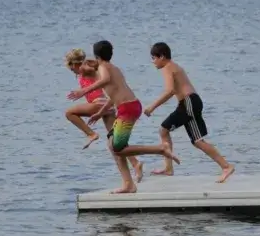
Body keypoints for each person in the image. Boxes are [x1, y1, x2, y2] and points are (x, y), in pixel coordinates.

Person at [68, 40, 180, 194]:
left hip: (127, 109)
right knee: (112, 145)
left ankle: (161, 149)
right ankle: (128, 184)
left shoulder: (104, 68)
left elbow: (105, 80)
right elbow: (114, 95)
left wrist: (83, 91)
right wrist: (100, 112)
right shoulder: (114, 68)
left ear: (97, 56)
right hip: (128, 106)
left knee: (117, 148)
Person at [143, 42, 235, 183]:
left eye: (154, 58)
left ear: (162, 57)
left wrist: (152, 107)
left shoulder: (168, 67)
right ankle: (225, 167)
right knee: (195, 140)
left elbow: (170, 91)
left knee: (165, 130)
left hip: (188, 103)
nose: (152, 61)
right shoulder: (173, 66)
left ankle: (226, 167)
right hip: (190, 102)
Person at [63, 48, 145, 182]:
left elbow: (100, 71)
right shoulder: (84, 69)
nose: (73, 71)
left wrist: (84, 88)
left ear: (75, 63)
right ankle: (136, 164)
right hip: (107, 106)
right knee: (115, 142)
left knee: (69, 113)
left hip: (99, 103)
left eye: (72, 68)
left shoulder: (86, 67)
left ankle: (91, 134)